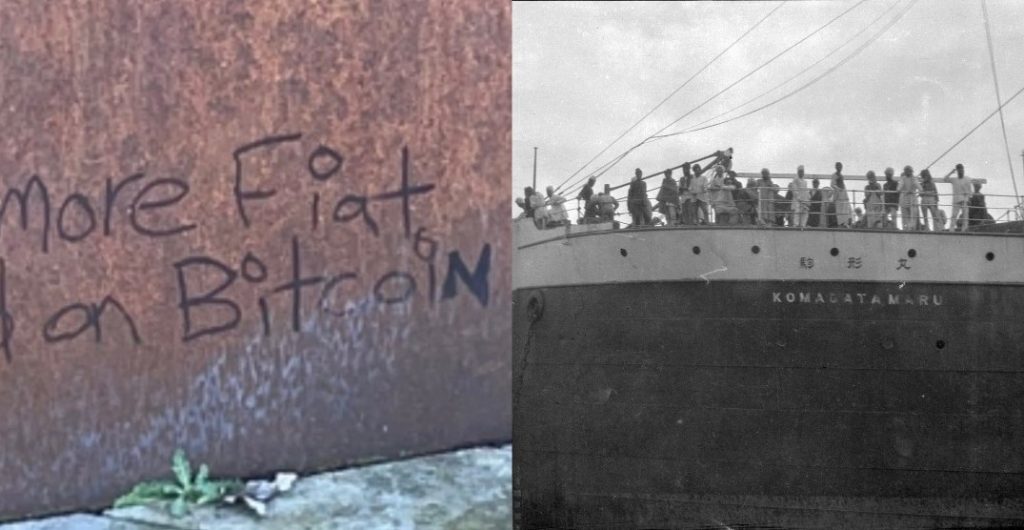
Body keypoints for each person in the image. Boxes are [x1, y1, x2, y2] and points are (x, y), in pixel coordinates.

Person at [942, 163, 974, 231]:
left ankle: (964, 230)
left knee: (965, 216)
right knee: (954, 215)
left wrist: (969, 198)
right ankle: (951, 229)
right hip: (956, 200)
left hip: (964, 199)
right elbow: (945, 179)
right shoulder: (954, 179)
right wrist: (951, 172)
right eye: (959, 170)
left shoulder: (967, 179)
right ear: (957, 171)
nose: (961, 171)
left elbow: (970, 190)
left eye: (962, 170)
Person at [897, 165, 920, 230]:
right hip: (908, 199)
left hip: (909, 199)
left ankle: (909, 228)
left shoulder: (910, 179)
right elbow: (898, 189)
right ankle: (908, 228)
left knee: (911, 216)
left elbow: (898, 189)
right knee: (908, 216)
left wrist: (908, 191)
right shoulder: (909, 179)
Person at [832, 163, 852, 227]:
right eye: (838, 166)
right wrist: (838, 189)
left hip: (844, 194)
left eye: (840, 166)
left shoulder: (842, 175)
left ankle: (845, 223)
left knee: (845, 209)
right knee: (839, 210)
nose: (839, 168)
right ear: (836, 167)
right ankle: (840, 223)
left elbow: (843, 184)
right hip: (838, 195)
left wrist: (846, 195)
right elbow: (832, 184)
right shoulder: (834, 175)